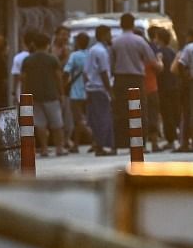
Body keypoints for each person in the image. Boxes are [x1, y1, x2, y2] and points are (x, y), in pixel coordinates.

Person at [111, 14, 162, 147]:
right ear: (133, 25)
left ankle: (122, 142)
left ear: (121, 25)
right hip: (137, 79)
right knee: (140, 110)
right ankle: (140, 142)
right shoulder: (139, 41)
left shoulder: (116, 41)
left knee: (121, 111)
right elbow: (151, 60)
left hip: (120, 79)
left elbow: (111, 63)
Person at [21, 31, 67, 156]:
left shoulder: (27, 60)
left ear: (34, 45)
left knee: (40, 124)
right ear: (48, 44)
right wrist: (62, 94)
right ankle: (59, 148)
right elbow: (58, 78)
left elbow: (23, 79)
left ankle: (44, 149)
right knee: (57, 123)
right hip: (51, 95)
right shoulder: (52, 59)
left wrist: (24, 94)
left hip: (34, 96)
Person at [84, 25, 115, 156]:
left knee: (95, 119)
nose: (111, 37)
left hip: (91, 89)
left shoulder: (91, 50)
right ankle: (102, 146)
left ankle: (98, 144)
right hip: (100, 89)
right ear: (103, 36)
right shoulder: (102, 52)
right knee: (104, 118)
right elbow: (104, 72)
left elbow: (85, 73)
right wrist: (110, 90)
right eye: (109, 34)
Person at [151, 26, 182, 150]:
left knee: (167, 113)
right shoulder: (172, 51)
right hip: (174, 85)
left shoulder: (160, 54)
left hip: (163, 87)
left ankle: (171, 139)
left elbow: (159, 70)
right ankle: (180, 136)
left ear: (159, 39)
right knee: (175, 113)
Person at [62, 32, 92, 153]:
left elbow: (66, 71)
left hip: (76, 92)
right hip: (89, 90)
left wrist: (64, 85)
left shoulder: (74, 56)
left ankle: (78, 143)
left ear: (78, 42)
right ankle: (92, 142)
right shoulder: (90, 54)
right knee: (89, 118)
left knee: (77, 120)